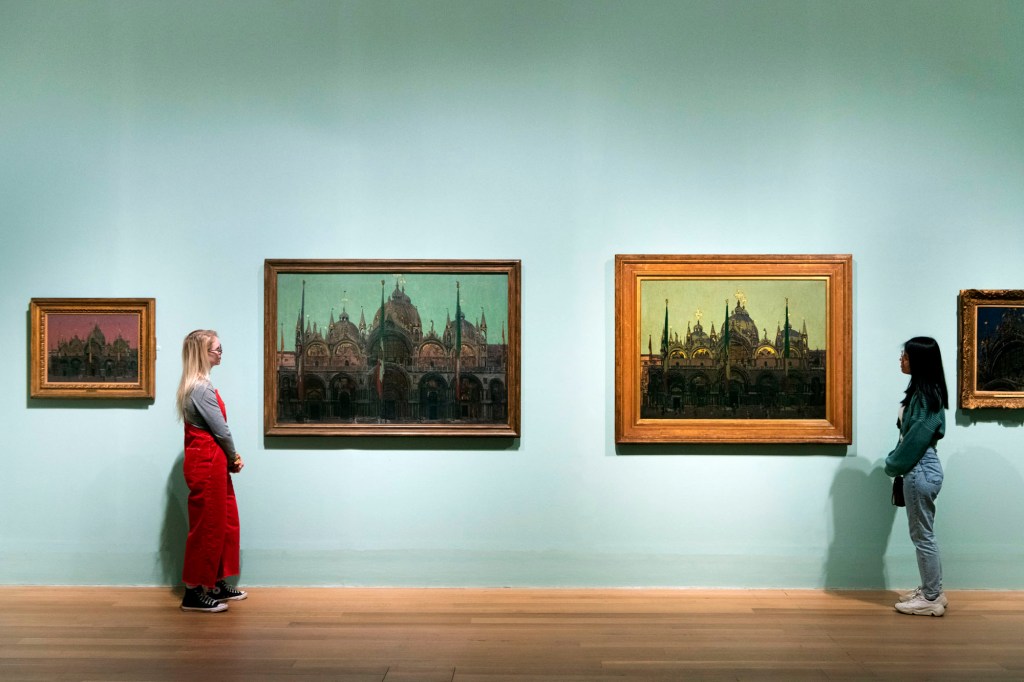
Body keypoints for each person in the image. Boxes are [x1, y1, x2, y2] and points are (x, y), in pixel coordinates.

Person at [174, 329, 247, 613]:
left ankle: (216, 581)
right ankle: (193, 591)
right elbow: (221, 429)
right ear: (202, 353)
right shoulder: (201, 388)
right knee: (207, 526)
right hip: (208, 460)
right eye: (216, 348)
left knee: (224, 520)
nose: (220, 352)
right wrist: (233, 457)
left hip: (211, 459)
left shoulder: (199, 384)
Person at [885, 336, 948, 616]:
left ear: (919, 361)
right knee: (924, 534)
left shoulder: (924, 396)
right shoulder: (924, 393)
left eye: (906, 356)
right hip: (923, 465)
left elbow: (915, 438)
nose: (902, 360)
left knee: (922, 535)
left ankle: (931, 597)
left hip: (919, 466)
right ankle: (932, 590)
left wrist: (893, 464)